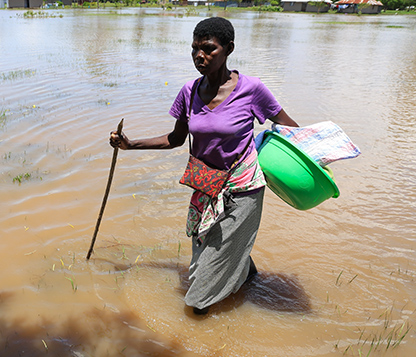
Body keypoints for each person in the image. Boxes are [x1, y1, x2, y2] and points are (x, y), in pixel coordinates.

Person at [109, 17, 298, 315]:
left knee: (198, 291)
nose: (200, 56)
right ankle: (246, 274)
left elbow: (290, 129)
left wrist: (311, 161)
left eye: (209, 49)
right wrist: (130, 145)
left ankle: (201, 307)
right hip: (206, 184)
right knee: (209, 250)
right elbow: (175, 139)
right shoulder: (189, 92)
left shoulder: (252, 89)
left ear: (228, 49)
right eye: (195, 48)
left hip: (243, 187)